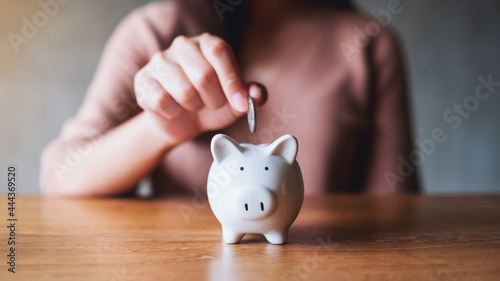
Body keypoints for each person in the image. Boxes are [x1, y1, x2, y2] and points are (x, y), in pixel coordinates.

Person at [40, 0, 420, 197]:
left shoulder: (367, 45)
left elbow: (395, 212)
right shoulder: (154, 32)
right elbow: (58, 176)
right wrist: (159, 130)